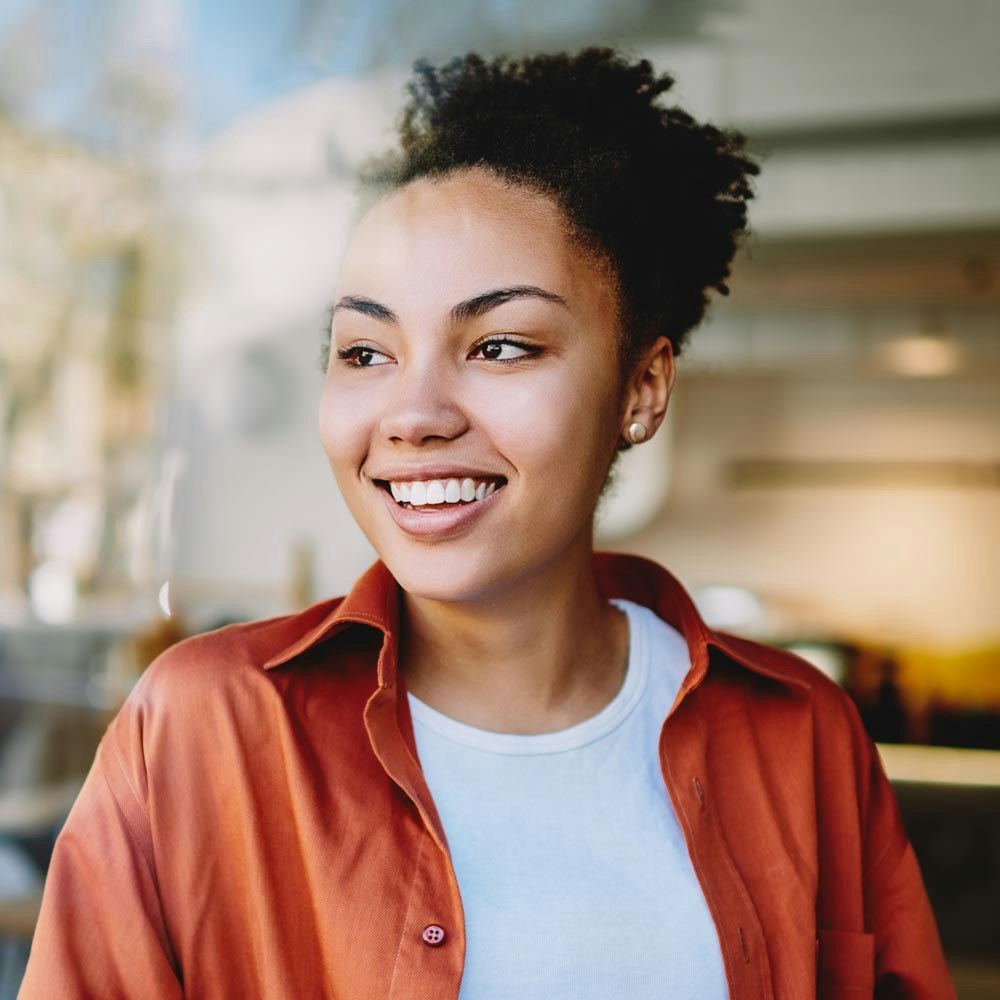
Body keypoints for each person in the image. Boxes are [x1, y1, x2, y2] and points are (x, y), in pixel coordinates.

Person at [20, 47, 954, 1000]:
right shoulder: (200, 730)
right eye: (366, 350)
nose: (414, 413)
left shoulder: (801, 735)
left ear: (643, 386)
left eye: (500, 345)